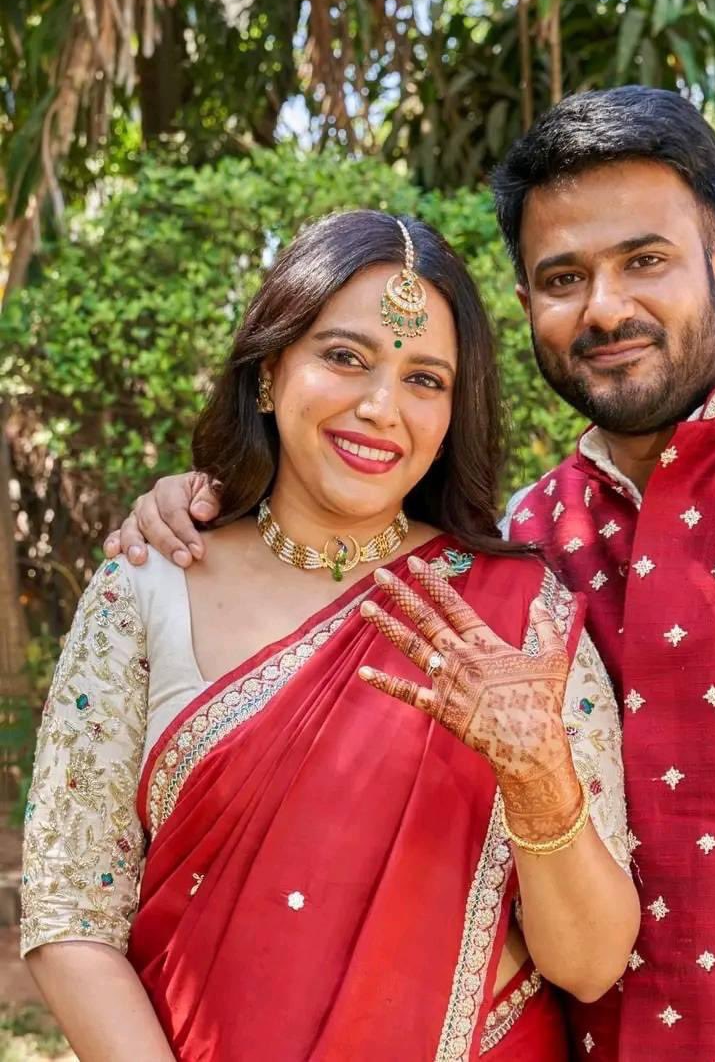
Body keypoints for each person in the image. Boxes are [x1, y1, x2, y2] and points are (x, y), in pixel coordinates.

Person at [106, 88, 715, 1062]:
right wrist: (210, 505)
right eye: (564, 277)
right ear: (529, 307)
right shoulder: (522, 539)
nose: (605, 307)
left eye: (645, 260)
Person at [21, 210, 639, 1062]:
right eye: (345, 357)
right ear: (269, 372)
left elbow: (591, 964)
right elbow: (69, 914)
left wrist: (538, 775)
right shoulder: (147, 587)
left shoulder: (520, 618)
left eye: (425, 379)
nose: (381, 408)